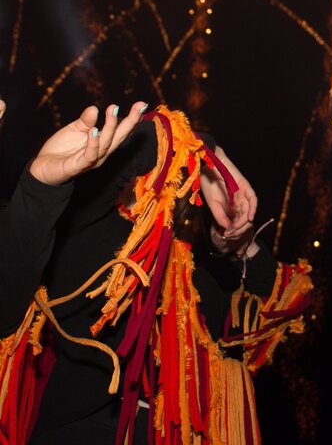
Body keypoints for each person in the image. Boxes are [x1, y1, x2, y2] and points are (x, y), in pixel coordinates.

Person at [0, 103, 312, 444]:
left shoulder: (195, 282)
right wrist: (205, 150)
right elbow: (123, 155)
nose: (173, 188)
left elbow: (281, 308)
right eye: (171, 173)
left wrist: (241, 246)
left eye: (182, 185)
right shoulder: (88, 235)